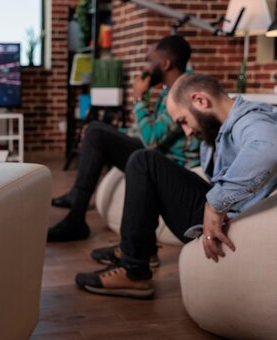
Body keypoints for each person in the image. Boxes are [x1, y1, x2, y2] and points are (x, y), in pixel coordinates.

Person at [75, 74, 277, 299]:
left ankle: (134, 270)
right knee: (144, 160)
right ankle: (140, 251)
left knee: (145, 161)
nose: (187, 131)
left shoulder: (249, 120)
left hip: (232, 219)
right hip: (226, 210)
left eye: (182, 120)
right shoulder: (222, 127)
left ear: (200, 100)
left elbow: (269, 149)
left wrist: (215, 204)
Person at [48, 35, 200, 242]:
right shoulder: (170, 90)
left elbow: (152, 139)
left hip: (168, 164)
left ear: (165, 63)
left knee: (96, 133)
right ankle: (76, 205)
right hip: (158, 153)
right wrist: (114, 133)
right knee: (96, 130)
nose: (146, 67)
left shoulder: (185, 92)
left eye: (149, 60)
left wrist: (138, 99)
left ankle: (76, 214)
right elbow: (149, 132)